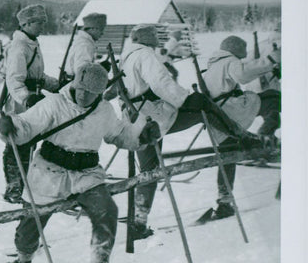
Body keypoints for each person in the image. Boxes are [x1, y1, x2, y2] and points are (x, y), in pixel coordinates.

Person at [0, 64, 161, 263]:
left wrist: (141, 135)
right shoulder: (55, 103)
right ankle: (24, 258)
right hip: (49, 172)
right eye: (80, 89)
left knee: (106, 211)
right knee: (31, 222)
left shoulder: (104, 111)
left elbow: (119, 134)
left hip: (86, 174)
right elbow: (26, 125)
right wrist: (10, 126)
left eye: (90, 92)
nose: (83, 95)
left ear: (100, 92)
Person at [108, 25, 263, 239]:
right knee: (202, 104)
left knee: (149, 169)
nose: (157, 40)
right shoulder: (145, 55)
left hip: (136, 120)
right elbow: (162, 83)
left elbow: (112, 88)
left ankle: (139, 221)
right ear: (146, 38)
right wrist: (184, 99)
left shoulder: (125, 57)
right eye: (154, 36)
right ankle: (240, 136)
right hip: (154, 117)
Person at [201, 35, 278, 219]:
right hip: (231, 111)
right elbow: (243, 74)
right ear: (235, 48)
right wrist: (271, 61)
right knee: (274, 97)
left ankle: (225, 201)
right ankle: (265, 136)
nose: (245, 52)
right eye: (243, 48)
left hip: (217, 117)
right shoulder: (229, 61)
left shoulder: (215, 64)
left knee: (228, 157)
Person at [0, 4, 60, 204]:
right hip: (19, 102)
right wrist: (27, 98)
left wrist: (57, 84)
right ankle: (14, 187)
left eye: (44, 22)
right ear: (26, 23)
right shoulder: (19, 46)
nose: (43, 26)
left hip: (31, 99)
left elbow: (38, 75)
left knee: (28, 141)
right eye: (39, 22)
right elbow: (14, 79)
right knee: (17, 142)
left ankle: (23, 185)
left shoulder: (32, 43)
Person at [62, 12, 107, 83]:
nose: (102, 33)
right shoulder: (85, 45)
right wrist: (100, 69)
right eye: (101, 29)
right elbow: (81, 71)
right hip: (76, 87)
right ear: (93, 29)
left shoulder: (84, 41)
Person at [256, 23, 281, 137]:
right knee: (273, 114)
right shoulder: (279, 44)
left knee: (272, 115)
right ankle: (264, 138)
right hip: (268, 85)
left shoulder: (266, 43)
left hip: (262, 84)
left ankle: (267, 137)